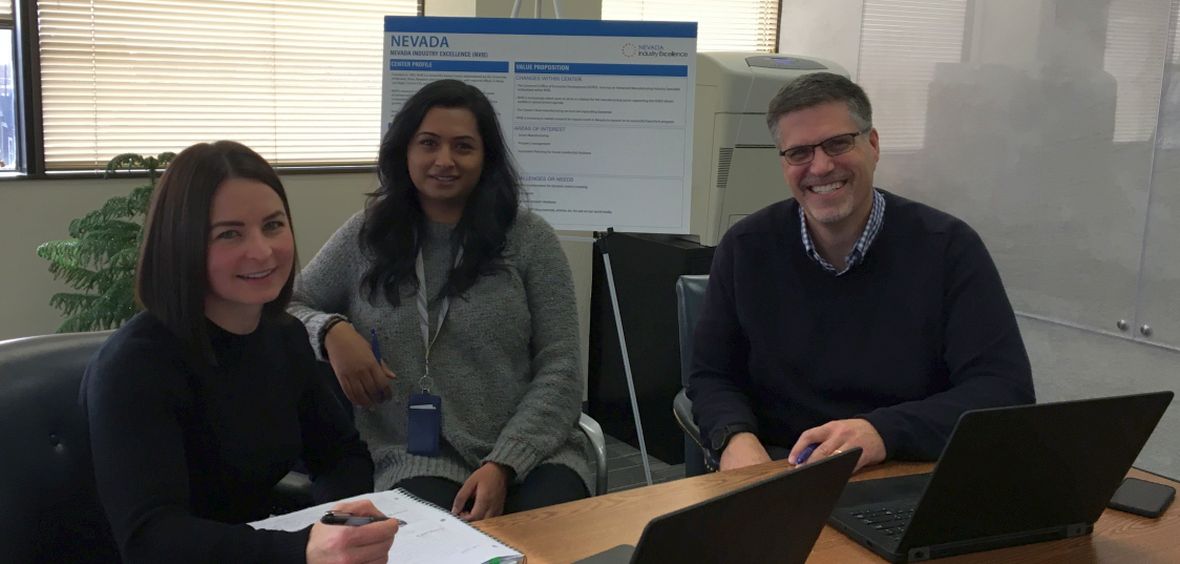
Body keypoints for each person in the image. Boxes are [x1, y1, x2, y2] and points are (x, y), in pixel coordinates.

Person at [688, 72, 1036, 474]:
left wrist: (882, 432)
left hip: (907, 467)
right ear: (783, 163)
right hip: (782, 467)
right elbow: (712, 375)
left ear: (872, 145)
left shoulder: (947, 247)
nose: (820, 167)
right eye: (799, 152)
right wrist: (735, 438)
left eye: (838, 143)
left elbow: (1003, 390)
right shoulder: (746, 247)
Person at [289, 79, 592, 521]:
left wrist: (505, 462)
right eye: (428, 143)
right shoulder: (367, 235)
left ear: (486, 157)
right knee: (432, 545)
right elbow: (287, 305)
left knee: (541, 541)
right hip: (418, 456)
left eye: (463, 147)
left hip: (536, 450)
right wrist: (331, 331)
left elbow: (562, 367)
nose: (444, 161)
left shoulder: (528, 239)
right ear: (405, 151)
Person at [83, 141, 399, 563]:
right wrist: (301, 550)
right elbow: (151, 540)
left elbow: (341, 455)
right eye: (229, 233)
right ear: (182, 244)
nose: (263, 251)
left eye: (273, 225)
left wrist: (339, 523)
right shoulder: (134, 367)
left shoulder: (283, 337)